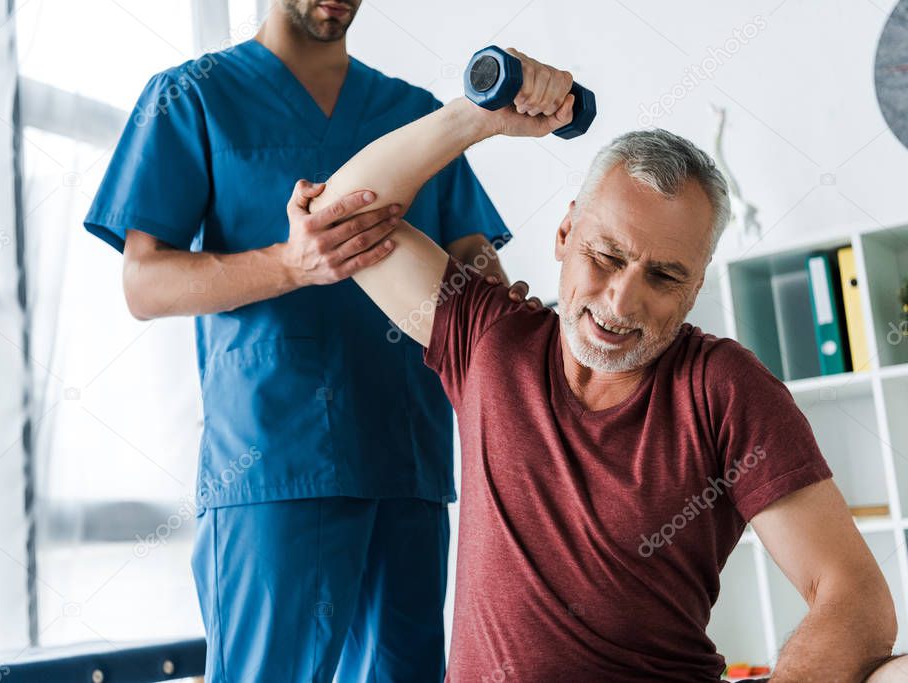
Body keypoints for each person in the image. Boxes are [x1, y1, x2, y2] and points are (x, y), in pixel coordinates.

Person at [293, 49, 905, 682]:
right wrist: (480, 118)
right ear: (564, 236)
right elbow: (341, 211)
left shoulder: (723, 389)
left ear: (695, 288)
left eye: (665, 276)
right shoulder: (490, 341)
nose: (622, 300)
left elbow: (855, 599)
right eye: (606, 256)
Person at [83, 2, 527, 681]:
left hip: (407, 463)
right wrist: (291, 265)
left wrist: (519, 317)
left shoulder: (414, 113)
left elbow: (467, 255)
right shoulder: (192, 96)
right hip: (273, 465)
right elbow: (144, 283)